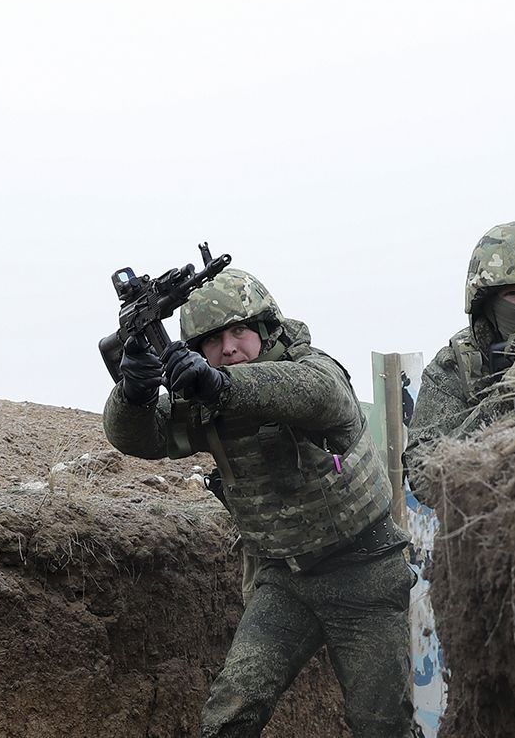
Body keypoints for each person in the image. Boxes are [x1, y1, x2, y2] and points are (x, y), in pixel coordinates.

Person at [102, 269, 417, 738]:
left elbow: (320, 396)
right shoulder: (203, 403)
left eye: (239, 331)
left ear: (266, 331)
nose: (228, 348)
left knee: (381, 725)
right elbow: (140, 438)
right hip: (283, 582)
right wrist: (135, 393)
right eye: (212, 339)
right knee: (228, 717)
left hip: (364, 572)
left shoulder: (311, 367)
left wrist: (222, 387)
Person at [404, 219, 515, 475]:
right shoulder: (457, 367)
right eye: (514, 294)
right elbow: (422, 475)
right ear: (486, 305)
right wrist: (510, 394)